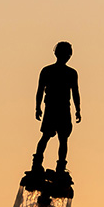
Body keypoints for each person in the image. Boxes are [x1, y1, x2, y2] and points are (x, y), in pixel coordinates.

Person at [31, 41, 81, 173]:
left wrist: (78, 110)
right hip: (58, 108)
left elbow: (75, 92)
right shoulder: (67, 72)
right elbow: (40, 90)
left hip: (58, 108)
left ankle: (47, 164)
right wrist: (37, 108)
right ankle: (49, 165)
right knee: (57, 138)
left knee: (53, 137)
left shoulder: (50, 71)